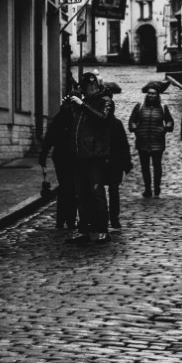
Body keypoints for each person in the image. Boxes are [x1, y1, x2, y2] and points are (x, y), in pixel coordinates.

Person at [66, 72, 113, 245]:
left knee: (96, 193)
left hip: (95, 156)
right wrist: (70, 106)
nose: (88, 90)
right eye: (86, 87)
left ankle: (102, 229)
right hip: (79, 156)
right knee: (81, 194)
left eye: (91, 87)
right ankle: (84, 229)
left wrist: (82, 105)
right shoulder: (82, 103)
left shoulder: (105, 101)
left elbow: (102, 118)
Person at [128, 81, 174, 198]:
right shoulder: (140, 107)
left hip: (157, 141)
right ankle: (147, 188)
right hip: (142, 141)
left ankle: (157, 187)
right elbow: (132, 120)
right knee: (145, 167)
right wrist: (135, 128)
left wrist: (165, 128)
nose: (150, 95)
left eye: (153, 94)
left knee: (157, 166)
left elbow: (169, 121)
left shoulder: (163, 108)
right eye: (149, 93)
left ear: (157, 95)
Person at [39, 97, 77, 230]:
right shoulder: (75, 117)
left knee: (64, 188)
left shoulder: (60, 117)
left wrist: (43, 154)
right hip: (70, 157)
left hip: (60, 157)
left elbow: (49, 136)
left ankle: (61, 221)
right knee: (71, 189)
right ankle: (70, 220)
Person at [107, 100, 133, 231]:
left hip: (114, 163)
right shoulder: (97, 123)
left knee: (113, 190)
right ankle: (106, 218)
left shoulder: (116, 124)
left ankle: (114, 218)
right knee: (103, 191)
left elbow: (123, 144)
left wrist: (126, 162)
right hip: (102, 161)